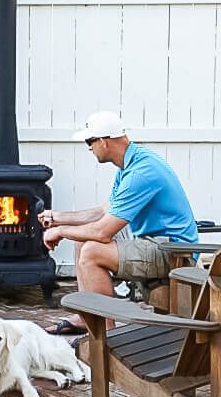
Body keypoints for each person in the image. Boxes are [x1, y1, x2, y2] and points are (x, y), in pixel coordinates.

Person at [40, 110, 198, 334]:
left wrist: (61, 231)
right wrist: (59, 218)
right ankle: (88, 318)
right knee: (81, 240)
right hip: (154, 242)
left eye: (90, 141)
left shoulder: (141, 173)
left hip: (173, 251)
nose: (88, 147)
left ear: (104, 142)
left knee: (92, 251)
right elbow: (106, 211)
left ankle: (106, 335)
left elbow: (103, 232)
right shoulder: (130, 163)